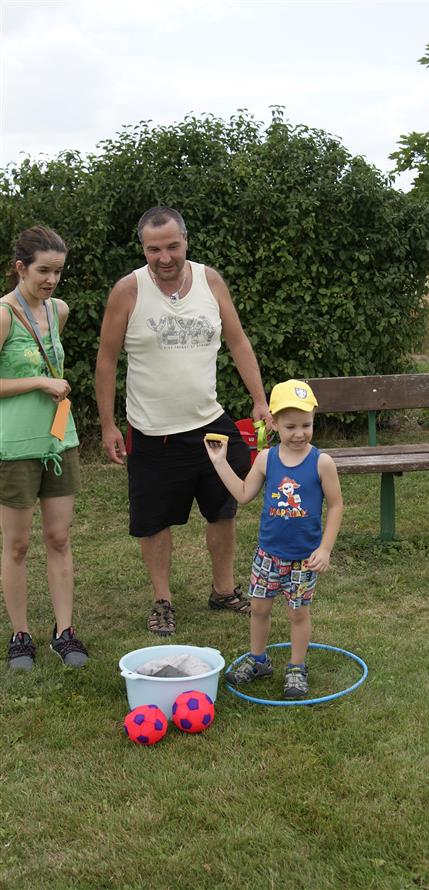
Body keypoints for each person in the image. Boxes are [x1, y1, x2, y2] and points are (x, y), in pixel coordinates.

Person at [95, 206, 271, 636]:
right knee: (153, 521)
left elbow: (237, 340)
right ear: (143, 249)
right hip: (152, 432)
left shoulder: (211, 281)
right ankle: (162, 601)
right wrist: (108, 425)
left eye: (173, 246)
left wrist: (260, 400)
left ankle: (223, 590)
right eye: (154, 249)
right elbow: (106, 360)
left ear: (186, 241)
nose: (165, 257)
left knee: (223, 510)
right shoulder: (128, 291)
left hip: (210, 423)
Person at [204, 379, 343, 699]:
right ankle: (258, 660)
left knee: (298, 613)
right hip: (269, 555)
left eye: (306, 425)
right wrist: (220, 462)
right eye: (290, 426)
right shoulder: (267, 459)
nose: (299, 433)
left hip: (304, 558)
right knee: (259, 608)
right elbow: (243, 494)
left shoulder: (321, 462)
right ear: (274, 423)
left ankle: (296, 667)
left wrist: (325, 549)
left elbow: (336, 505)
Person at [0, 226, 89, 670]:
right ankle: (20, 635)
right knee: (16, 546)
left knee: (59, 537)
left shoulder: (59, 310)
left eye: (58, 271)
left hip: (59, 441)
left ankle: (64, 631)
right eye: (43, 271)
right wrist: (38, 381)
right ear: (21, 268)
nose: (52, 280)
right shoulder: (3, 315)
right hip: (14, 447)